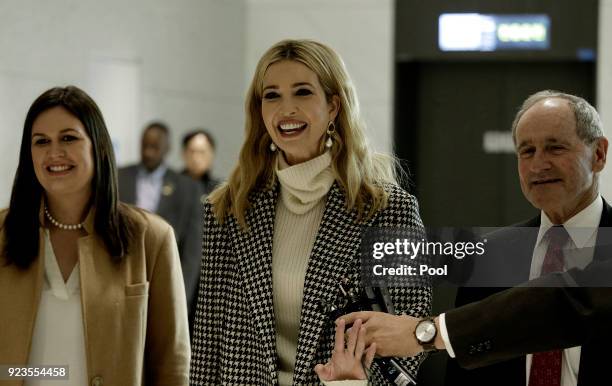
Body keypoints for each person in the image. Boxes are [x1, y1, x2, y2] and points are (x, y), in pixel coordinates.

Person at [189, 39, 431, 385]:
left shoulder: (389, 210)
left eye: (302, 92)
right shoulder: (227, 210)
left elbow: (412, 336)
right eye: (271, 95)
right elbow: (208, 345)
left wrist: (359, 381)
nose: (285, 109)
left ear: (333, 106)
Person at [343, 90, 612, 386]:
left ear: (598, 154)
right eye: (526, 151)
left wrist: (424, 332)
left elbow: (560, 304)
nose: (537, 165)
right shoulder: (489, 255)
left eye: (555, 148)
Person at [0, 86, 190, 385]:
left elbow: (171, 364)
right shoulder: (2, 235)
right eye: (41, 142)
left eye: (68, 138)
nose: (54, 152)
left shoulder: (151, 238)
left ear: (97, 146)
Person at [118, 122, 202, 334]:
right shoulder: (118, 177)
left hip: (164, 281)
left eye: (155, 147)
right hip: (120, 279)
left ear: (168, 148)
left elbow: (192, 251)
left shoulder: (187, 189)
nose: (148, 152)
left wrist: (181, 295)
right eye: (145, 146)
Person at [181, 129, 221, 197]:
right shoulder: (173, 186)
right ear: (183, 154)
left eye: (202, 152)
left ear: (211, 154)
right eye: (192, 152)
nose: (196, 158)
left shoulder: (218, 191)